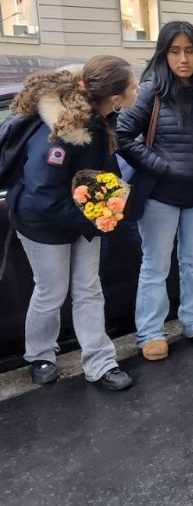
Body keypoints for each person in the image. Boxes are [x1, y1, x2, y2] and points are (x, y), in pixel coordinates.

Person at [7, 56, 138, 390]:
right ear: (115, 97)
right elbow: (44, 195)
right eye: (133, 86)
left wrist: (111, 205)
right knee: (51, 291)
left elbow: (102, 171)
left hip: (80, 215)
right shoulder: (62, 132)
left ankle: (101, 363)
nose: (138, 90)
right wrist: (93, 223)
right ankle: (40, 355)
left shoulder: (101, 118)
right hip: (42, 223)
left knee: (88, 289)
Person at [116, 21, 193, 361]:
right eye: (175, 51)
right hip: (161, 197)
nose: (183, 59)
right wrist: (161, 166)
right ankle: (150, 333)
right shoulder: (151, 92)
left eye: (189, 51)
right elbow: (122, 135)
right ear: (164, 54)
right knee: (155, 267)